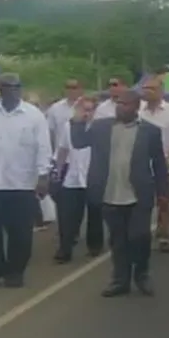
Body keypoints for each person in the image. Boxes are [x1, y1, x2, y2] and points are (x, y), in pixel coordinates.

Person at [69, 89, 168, 297]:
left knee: (139, 237)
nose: (120, 108)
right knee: (118, 240)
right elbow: (78, 143)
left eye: (125, 104)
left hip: (138, 194)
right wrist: (77, 120)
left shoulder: (150, 131)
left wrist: (163, 193)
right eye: (118, 104)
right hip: (110, 192)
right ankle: (120, 280)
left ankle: (142, 274)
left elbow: (159, 163)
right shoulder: (101, 127)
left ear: (136, 107)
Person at [0, 73, 51, 288]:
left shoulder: (34, 116)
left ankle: (15, 271)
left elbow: (43, 147)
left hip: (22, 185)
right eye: (8, 87)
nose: (13, 91)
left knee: (20, 232)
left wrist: (43, 176)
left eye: (17, 87)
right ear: (0, 90)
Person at [139, 76, 169, 253]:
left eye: (152, 88)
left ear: (161, 91)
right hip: (141, 166)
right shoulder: (138, 112)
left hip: (164, 166)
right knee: (141, 202)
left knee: (164, 202)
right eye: (145, 88)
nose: (147, 92)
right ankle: (140, 234)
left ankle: (163, 235)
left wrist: (168, 161)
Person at [53, 95, 104, 263]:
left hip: (94, 176)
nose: (86, 113)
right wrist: (58, 170)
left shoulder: (99, 128)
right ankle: (65, 249)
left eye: (90, 110)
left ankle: (95, 245)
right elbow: (63, 149)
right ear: (77, 109)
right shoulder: (69, 126)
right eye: (84, 109)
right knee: (68, 215)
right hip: (73, 177)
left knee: (95, 213)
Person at [46, 79, 84, 150]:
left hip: (81, 153)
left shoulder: (86, 107)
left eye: (74, 87)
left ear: (80, 89)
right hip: (60, 151)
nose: (71, 90)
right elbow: (50, 132)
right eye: (68, 87)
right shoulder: (55, 108)